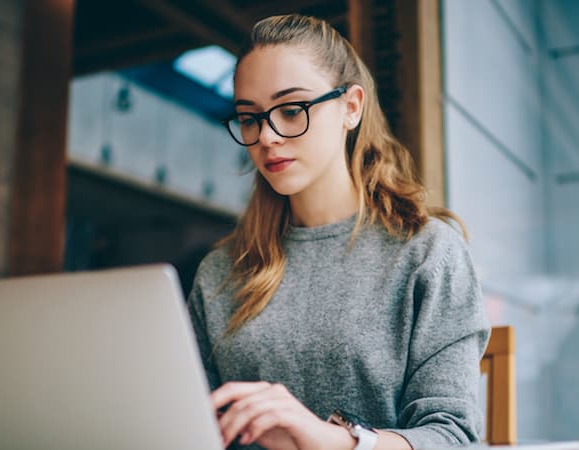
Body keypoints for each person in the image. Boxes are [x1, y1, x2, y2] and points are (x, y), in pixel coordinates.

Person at [188, 14, 490, 450]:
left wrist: (328, 440)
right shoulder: (220, 272)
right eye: (249, 118)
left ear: (351, 107)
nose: (267, 136)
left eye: (292, 110)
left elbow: (452, 438)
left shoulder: (425, 252)